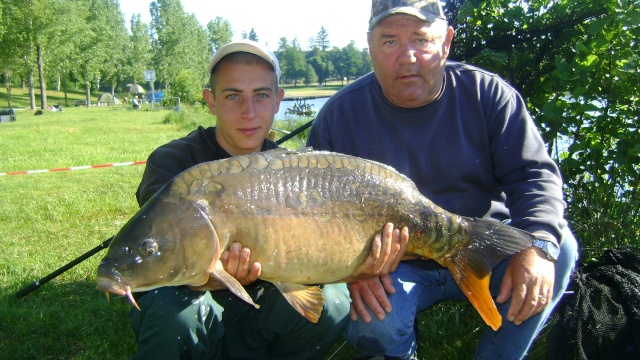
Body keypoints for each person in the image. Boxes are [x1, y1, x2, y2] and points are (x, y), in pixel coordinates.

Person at [306, 0, 580, 359]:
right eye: (390, 41)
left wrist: (539, 244)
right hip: (393, 266)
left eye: (421, 39)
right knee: (372, 325)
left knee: (559, 250)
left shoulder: (488, 95)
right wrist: (352, 271)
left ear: (447, 42)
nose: (407, 56)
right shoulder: (338, 116)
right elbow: (313, 218)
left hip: (485, 245)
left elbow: (534, 175)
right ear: (370, 46)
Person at [130, 40, 407, 359]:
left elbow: (314, 253)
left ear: (278, 100)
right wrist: (216, 277)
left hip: (260, 299)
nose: (248, 112)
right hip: (185, 298)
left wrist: (357, 266)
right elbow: (158, 251)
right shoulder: (174, 163)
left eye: (260, 95)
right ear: (211, 101)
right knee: (178, 313)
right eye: (233, 95)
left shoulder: (295, 171)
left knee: (334, 302)